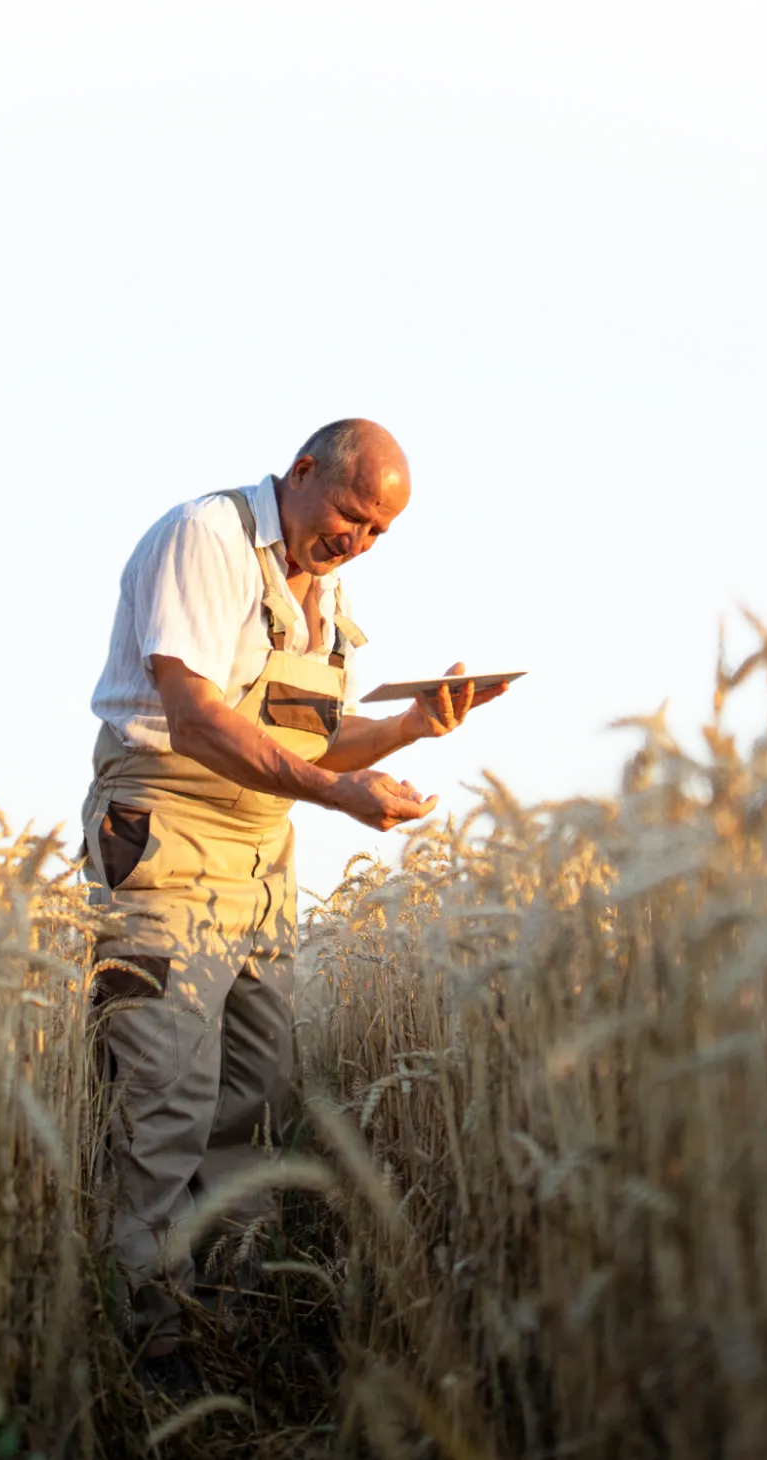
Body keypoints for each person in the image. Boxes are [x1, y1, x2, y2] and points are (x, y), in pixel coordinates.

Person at [77, 415, 509, 1388]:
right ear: (305, 470)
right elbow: (193, 714)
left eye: (378, 534)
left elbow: (309, 743)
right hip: (167, 837)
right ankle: (152, 1354)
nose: (357, 541)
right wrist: (336, 798)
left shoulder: (325, 593)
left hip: (262, 853)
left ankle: (237, 1320)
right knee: (167, 1100)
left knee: (255, 1093)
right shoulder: (209, 536)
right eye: (352, 515)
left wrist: (407, 729)